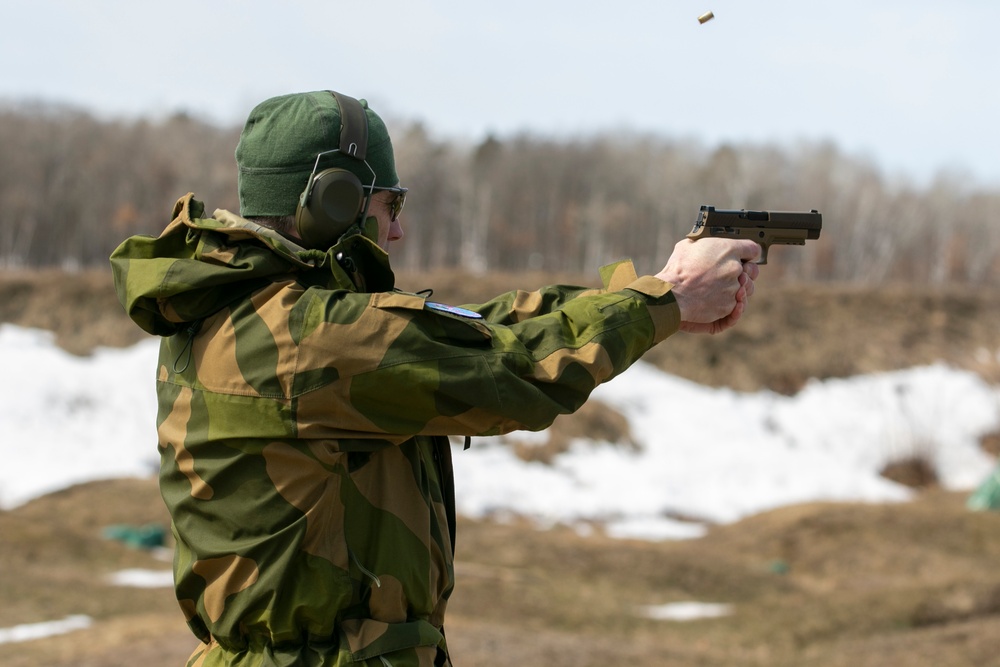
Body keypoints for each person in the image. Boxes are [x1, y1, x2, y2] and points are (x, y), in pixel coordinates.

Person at [110, 90, 760, 667]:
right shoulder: (306, 337)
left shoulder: (259, 318)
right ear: (335, 201)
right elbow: (508, 367)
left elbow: (471, 332)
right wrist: (666, 299)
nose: (398, 229)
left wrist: (651, 294)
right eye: (388, 204)